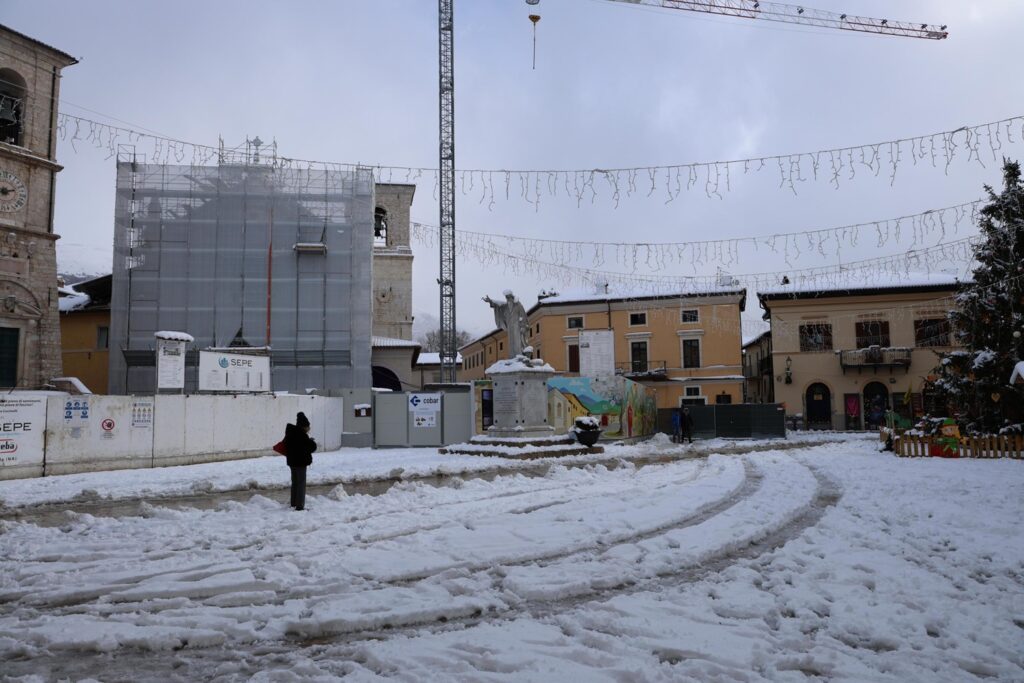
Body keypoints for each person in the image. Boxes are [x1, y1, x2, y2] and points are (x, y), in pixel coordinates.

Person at [283, 411, 317, 511]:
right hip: (300, 463)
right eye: (307, 426)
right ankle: (300, 506)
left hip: (292, 462)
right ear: (303, 426)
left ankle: (293, 503)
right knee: (301, 484)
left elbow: (297, 446)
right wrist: (311, 441)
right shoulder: (302, 435)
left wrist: (307, 440)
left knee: (295, 483)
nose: (308, 428)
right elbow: (311, 448)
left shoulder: (291, 432)